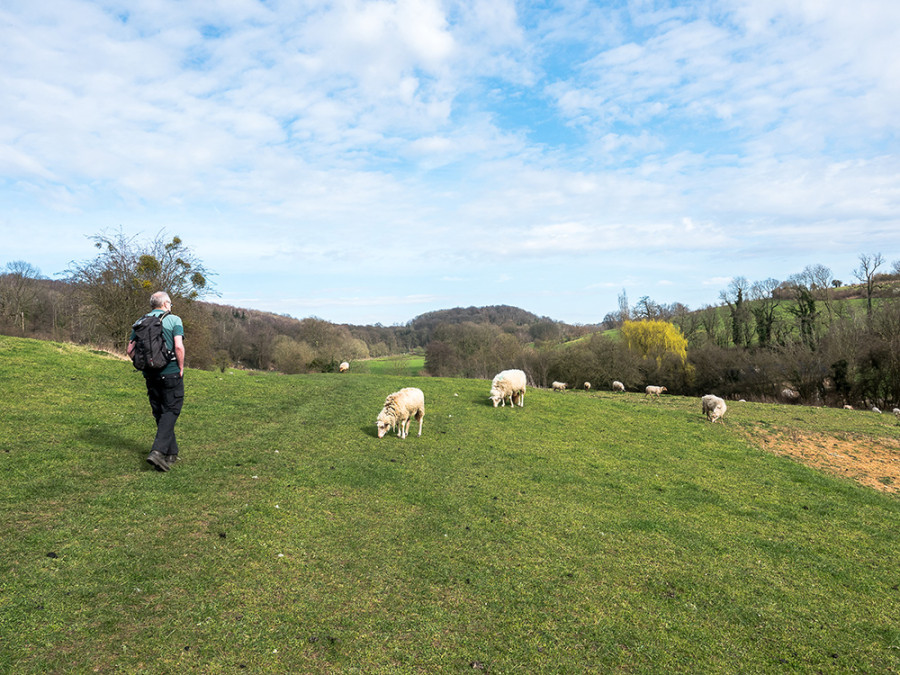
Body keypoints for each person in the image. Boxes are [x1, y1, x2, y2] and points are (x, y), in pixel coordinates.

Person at [127, 291, 185, 471]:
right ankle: (158, 451)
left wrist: (145, 365)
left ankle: (171, 453)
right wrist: (181, 367)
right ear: (166, 304)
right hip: (170, 372)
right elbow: (178, 346)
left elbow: (130, 350)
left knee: (160, 411)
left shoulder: (140, 322)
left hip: (150, 374)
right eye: (171, 304)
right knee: (172, 409)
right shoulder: (174, 320)